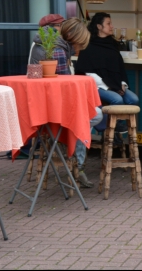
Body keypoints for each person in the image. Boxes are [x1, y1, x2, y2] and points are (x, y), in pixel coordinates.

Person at [30, 15, 101, 188]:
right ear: (74, 40)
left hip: (40, 101)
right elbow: (63, 87)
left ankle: (72, 152)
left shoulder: (42, 43)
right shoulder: (59, 52)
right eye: (79, 46)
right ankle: (76, 161)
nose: (78, 51)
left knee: (86, 117)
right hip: (52, 106)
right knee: (94, 114)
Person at [75, 12, 139, 107]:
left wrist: (122, 84)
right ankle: (113, 122)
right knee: (117, 100)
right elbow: (87, 73)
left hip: (115, 84)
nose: (112, 26)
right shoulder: (88, 45)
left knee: (134, 100)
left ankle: (117, 121)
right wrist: (109, 86)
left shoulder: (113, 44)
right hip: (98, 86)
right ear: (99, 26)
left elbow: (119, 68)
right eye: (108, 24)